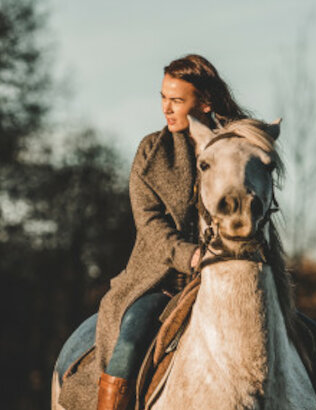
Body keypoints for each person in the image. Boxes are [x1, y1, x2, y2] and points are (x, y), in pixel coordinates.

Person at [94, 54, 249, 410]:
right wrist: (189, 255)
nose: (166, 107)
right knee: (132, 332)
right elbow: (149, 224)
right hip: (161, 282)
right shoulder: (151, 152)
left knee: (308, 336)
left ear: (205, 102)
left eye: (177, 100)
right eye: (163, 97)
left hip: (231, 278)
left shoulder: (237, 148)